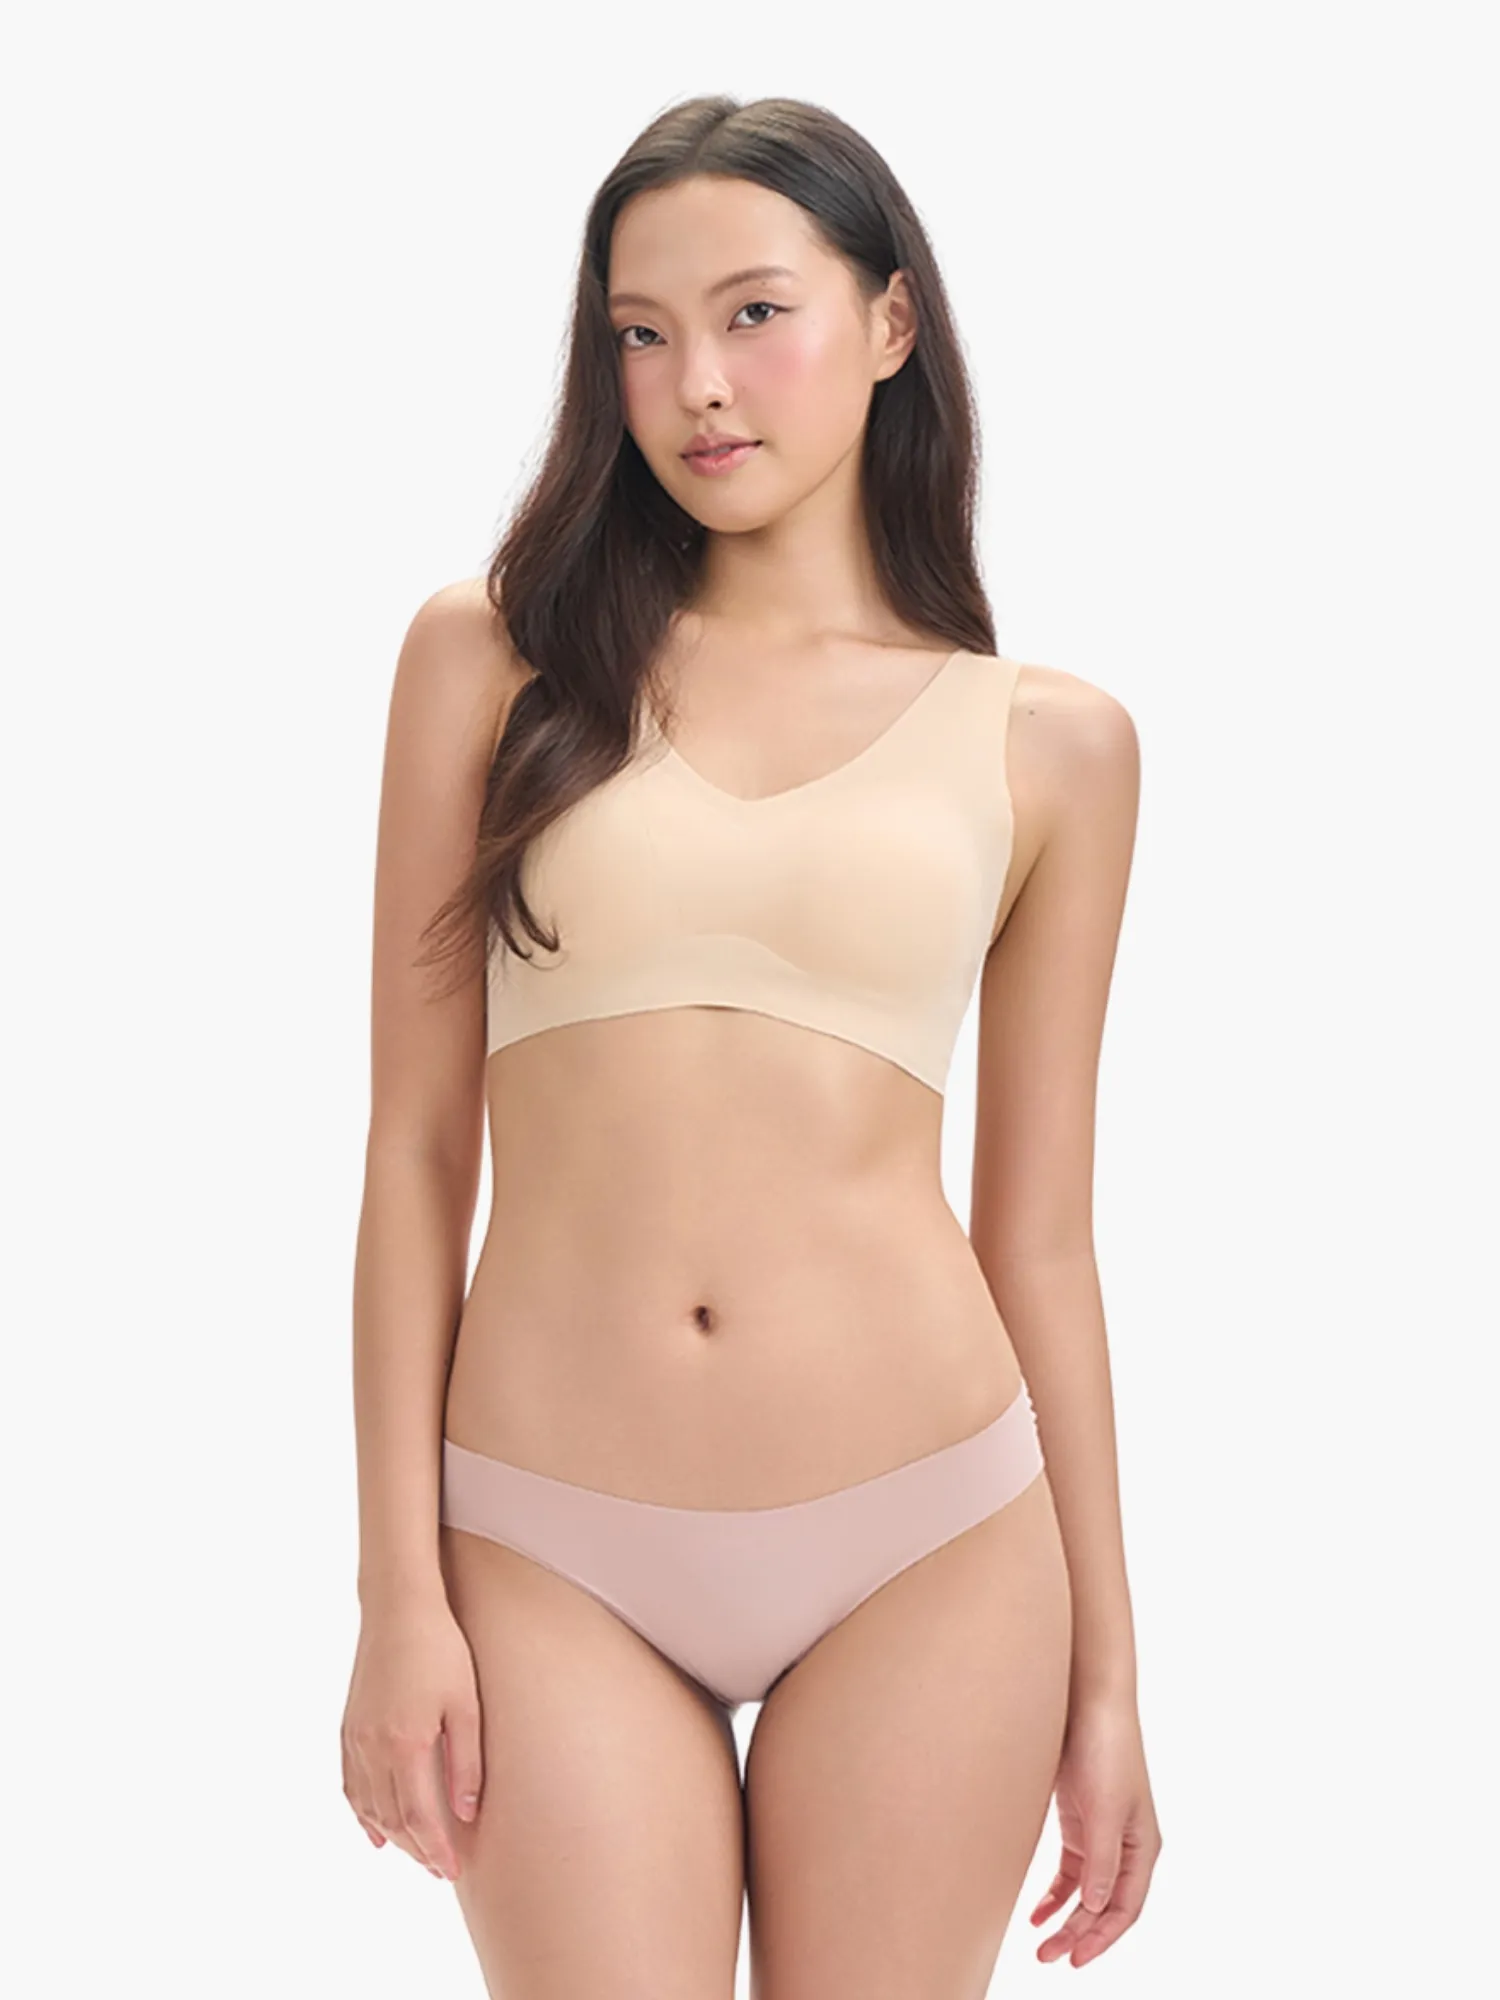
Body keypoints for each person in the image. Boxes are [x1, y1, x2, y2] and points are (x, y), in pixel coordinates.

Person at [340, 92, 1161, 1993]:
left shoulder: (1052, 746)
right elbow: (411, 1150)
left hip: (932, 1543)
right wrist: (395, 1589)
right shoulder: (492, 659)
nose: (697, 384)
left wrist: (1112, 1678)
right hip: (545, 1539)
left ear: (891, 323)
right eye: (641, 333)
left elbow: (1042, 1240)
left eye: (755, 314)